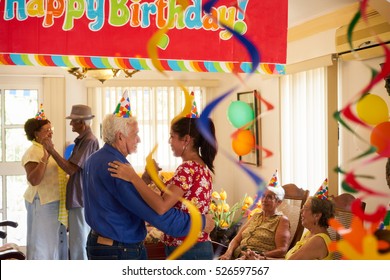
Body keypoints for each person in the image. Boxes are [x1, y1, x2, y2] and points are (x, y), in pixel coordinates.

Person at [83, 100, 215, 260]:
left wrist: (143, 179)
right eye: (135, 134)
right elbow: (157, 211)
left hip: (101, 243)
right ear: (120, 137)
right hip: (119, 249)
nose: (138, 139)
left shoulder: (94, 159)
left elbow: (119, 198)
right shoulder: (117, 166)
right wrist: (200, 222)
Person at [42, 104, 99, 260]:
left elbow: (71, 169)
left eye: (73, 121)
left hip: (81, 198)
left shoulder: (88, 140)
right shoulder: (83, 140)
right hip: (79, 197)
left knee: (79, 244)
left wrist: (51, 150)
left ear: (82, 122)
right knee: (77, 242)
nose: (71, 124)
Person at [241, 181, 336, 260]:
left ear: (317, 215)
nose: (301, 211)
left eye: (305, 208)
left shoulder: (318, 240)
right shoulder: (309, 234)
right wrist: (261, 258)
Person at [21, 109, 68, 259]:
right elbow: (34, 180)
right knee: (42, 246)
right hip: (41, 203)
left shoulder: (46, 149)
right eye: (47, 130)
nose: (51, 133)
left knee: (53, 245)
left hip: (53, 203)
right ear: (36, 133)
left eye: (51, 129)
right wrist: (45, 158)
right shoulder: (33, 152)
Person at [219, 174, 291, 260]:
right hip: (238, 256)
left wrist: (259, 256)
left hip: (256, 258)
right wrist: (228, 254)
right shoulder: (255, 216)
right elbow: (237, 239)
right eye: (263, 196)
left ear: (278, 202)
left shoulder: (282, 220)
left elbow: (282, 250)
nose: (264, 200)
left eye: (269, 197)